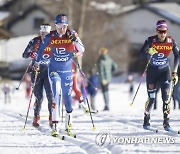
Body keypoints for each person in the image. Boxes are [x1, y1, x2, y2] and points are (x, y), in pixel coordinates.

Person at [34, 14, 85, 137]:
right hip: (54, 70)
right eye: (60, 26)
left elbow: (82, 49)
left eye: (64, 26)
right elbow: (41, 50)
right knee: (56, 94)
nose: (62, 29)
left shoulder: (72, 34)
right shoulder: (51, 36)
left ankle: (68, 124)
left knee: (67, 99)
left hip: (67, 71)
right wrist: (36, 62)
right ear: (55, 25)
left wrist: (75, 41)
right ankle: (55, 125)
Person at [139, 20, 179, 131]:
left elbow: (177, 55)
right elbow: (140, 55)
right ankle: (146, 121)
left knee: (166, 99)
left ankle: (166, 124)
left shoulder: (171, 42)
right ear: (157, 31)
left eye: (164, 31)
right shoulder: (150, 40)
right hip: (152, 72)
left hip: (164, 72)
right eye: (160, 31)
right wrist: (148, 51)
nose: (162, 34)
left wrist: (175, 72)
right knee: (151, 98)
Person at [22, 24, 53, 128]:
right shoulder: (35, 41)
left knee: (51, 96)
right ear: (40, 33)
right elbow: (24, 54)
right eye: (43, 34)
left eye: (47, 34)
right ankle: (36, 117)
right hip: (36, 71)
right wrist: (31, 54)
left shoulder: (53, 41)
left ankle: (52, 117)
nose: (45, 36)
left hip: (49, 71)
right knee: (39, 97)